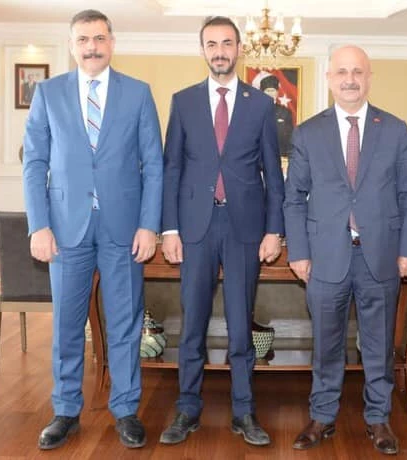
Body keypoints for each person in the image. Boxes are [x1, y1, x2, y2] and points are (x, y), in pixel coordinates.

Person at [23, 9, 163, 450]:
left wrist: (149, 225)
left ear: (112, 43)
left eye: (99, 38)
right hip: (66, 229)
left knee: (125, 322)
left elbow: (154, 164)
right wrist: (39, 225)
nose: (92, 47)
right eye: (83, 39)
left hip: (124, 227)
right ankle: (65, 410)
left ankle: (126, 409)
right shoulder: (48, 93)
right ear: (72, 45)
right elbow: (35, 163)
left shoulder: (138, 93)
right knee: (67, 323)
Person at [283, 45, 407, 456]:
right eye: (342, 72)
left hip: (380, 255)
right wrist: (299, 252)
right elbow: (294, 198)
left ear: (369, 78)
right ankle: (322, 415)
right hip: (325, 256)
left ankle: (378, 418)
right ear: (329, 78)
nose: (350, 79)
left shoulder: (394, 129)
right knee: (326, 343)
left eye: (357, 72)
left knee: (378, 344)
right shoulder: (308, 132)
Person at [158, 16, 284, 447]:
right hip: (195, 226)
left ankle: (244, 411)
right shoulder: (184, 101)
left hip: (244, 227)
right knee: (192, 322)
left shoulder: (260, 104)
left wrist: (274, 230)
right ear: (202, 50)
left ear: (239, 49)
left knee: (240, 324)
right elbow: (171, 168)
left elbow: (273, 173)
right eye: (211, 44)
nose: (219, 51)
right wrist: (169, 229)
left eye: (227, 43)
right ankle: (187, 408)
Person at [260, 74, 294, 156]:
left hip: (280, 156)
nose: (270, 93)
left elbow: (290, 138)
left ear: (277, 92)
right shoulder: (254, 111)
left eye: (273, 90)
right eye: (268, 90)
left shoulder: (285, 112)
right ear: (262, 92)